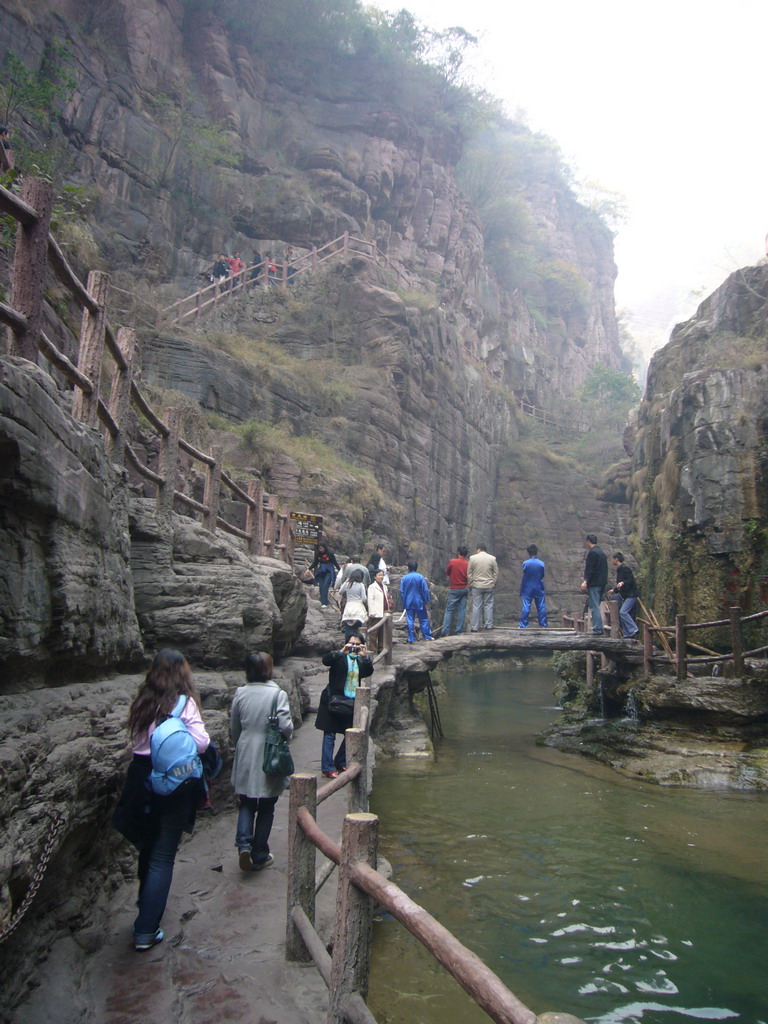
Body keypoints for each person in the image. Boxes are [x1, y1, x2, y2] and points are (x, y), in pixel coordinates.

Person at [112, 649, 211, 952]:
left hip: (140, 776)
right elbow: (202, 743)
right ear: (182, 672)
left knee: (147, 845)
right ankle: (146, 929)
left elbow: (137, 742)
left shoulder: (143, 700)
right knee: (162, 856)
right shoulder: (184, 703)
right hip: (172, 782)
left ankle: (146, 904)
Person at [230, 651, 293, 872]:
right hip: (269, 750)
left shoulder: (241, 693)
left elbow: (235, 725)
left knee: (247, 801)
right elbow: (286, 727)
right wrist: (286, 737)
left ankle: (243, 845)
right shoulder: (278, 694)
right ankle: (260, 853)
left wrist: (240, 743)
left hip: (247, 747)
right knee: (267, 805)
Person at [315, 634, 373, 777]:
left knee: (350, 732)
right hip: (333, 700)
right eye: (351, 643)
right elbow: (326, 660)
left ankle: (340, 761)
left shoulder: (360, 660)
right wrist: (342, 651)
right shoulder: (339, 657)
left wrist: (365, 657)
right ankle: (327, 767)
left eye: (357, 644)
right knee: (330, 734)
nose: (353, 647)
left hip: (351, 701)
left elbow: (368, 671)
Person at [580, 534, 608, 635]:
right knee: (596, 604)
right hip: (602, 583)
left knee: (594, 606)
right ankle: (598, 627)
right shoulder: (602, 553)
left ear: (588, 541)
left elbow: (590, 569)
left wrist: (585, 581)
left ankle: (597, 628)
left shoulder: (593, 553)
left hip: (595, 583)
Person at [400, 560, 434, 642]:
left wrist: (404, 601)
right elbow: (425, 590)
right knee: (423, 619)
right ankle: (427, 636)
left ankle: (411, 638)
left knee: (410, 619)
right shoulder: (420, 577)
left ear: (408, 568)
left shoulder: (404, 578)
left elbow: (401, 591)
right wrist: (426, 599)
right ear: (416, 567)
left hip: (408, 601)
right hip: (419, 601)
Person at [608, 552, 639, 639]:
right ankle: (627, 634)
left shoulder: (625, 568)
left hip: (631, 595)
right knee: (622, 614)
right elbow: (619, 586)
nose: (612, 561)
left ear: (616, 559)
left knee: (623, 612)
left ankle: (634, 629)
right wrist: (613, 590)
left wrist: (623, 582)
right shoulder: (619, 570)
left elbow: (630, 580)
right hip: (625, 596)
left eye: (613, 559)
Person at [468, 544, 498, 631]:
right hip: (489, 585)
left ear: (479, 549)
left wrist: (471, 583)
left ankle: (474, 627)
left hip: (476, 585)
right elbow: (495, 572)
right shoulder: (492, 559)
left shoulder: (472, 558)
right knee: (488, 605)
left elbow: (469, 572)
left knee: (476, 606)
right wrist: (493, 582)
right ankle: (489, 625)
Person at [440, 545, 469, 636]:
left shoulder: (453, 562)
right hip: (464, 589)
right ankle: (459, 630)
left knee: (449, 610)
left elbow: (448, 572)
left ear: (458, 553)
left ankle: (445, 631)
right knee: (462, 610)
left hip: (455, 589)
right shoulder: (468, 564)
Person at [519, 544, 548, 628]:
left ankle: (523, 625)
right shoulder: (541, 564)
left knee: (526, 606)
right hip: (538, 587)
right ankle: (543, 624)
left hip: (527, 588)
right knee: (541, 606)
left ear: (528, 553)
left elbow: (525, 573)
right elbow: (542, 575)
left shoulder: (525, 563)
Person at [308, 542, 340, 609]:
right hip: (321, 572)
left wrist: (340, 570)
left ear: (324, 548)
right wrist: (309, 569)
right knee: (321, 587)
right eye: (319, 548)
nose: (320, 550)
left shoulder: (330, 554)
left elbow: (335, 563)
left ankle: (324, 603)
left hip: (329, 571)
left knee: (325, 586)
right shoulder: (318, 555)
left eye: (321, 548)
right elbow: (315, 563)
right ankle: (324, 601)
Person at [339, 569, 368, 642]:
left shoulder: (347, 584)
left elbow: (340, 592)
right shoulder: (361, 585)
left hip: (348, 608)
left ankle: (347, 644)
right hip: (358, 608)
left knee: (348, 628)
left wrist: (346, 581)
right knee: (357, 629)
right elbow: (364, 598)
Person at [367, 568, 391, 653]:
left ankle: (381, 649)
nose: (381, 577)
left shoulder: (384, 587)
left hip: (384, 612)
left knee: (383, 633)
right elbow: (370, 600)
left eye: (382, 575)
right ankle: (372, 649)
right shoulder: (372, 587)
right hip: (376, 613)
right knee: (374, 632)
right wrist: (372, 612)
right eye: (379, 575)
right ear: (375, 577)